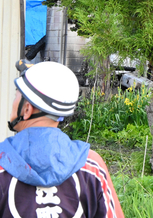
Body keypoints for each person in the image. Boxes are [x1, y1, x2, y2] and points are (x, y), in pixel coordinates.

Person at [0, 61, 124, 218]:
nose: (13, 102)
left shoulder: (2, 162)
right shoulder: (91, 165)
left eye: (16, 95)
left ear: (26, 109)